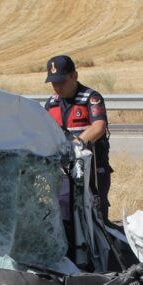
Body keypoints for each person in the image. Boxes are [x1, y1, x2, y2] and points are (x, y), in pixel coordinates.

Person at [44, 54, 112, 221]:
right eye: (54, 83)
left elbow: (99, 127)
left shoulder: (91, 98)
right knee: (65, 211)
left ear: (74, 76)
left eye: (62, 82)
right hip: (65, 171)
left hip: (94, 169)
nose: (58, 87)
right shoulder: (51, 103)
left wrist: (76, 144)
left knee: (96, 213)